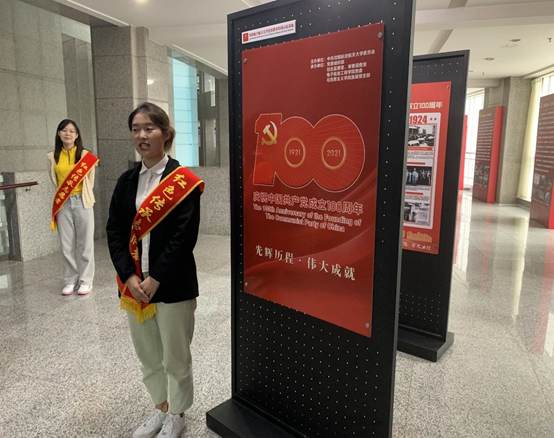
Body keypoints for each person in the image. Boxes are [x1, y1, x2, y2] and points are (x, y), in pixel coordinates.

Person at [106, 102, 204, 438]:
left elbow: (184, 236)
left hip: (172, 283)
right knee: (148, 355)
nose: (142, 135)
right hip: (135, 287)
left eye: (149, 128)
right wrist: (129, 276)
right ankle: (161, 409)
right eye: (135, 129)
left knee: (175, 356)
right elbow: (115, 231)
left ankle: (178, 415)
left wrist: (156, 277)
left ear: (165, 133)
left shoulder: (183, 181)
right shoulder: (126, 181)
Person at [47, 119, 98, 296]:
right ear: (59, 133)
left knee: (85, 243)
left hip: (82, 201)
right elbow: (54, 180)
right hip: (63, 204)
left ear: (77, 135)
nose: (67, 134)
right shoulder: (52, 156)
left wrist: (83, 196)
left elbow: (90, 180)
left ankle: (86, 280)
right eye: (64, 130)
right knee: (66, 244)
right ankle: (70, 280)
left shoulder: (86, 156)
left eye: (71, 131)